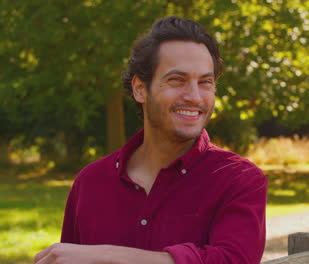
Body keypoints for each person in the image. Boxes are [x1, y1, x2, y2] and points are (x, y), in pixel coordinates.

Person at [34, 17, 267, 264]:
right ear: (140, 89)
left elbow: (233, 260)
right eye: (177, 80)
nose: (194, 97)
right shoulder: (90, 183)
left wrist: (109, 255)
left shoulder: (239, 180)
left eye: (205, 82)